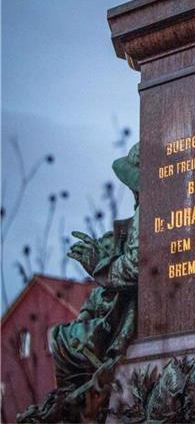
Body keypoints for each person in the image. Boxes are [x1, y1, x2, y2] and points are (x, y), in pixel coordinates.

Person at [18, 143, 140, 423]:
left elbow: (134, 268)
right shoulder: (142, 214)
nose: (131, 191)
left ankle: (84, 409)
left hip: (131, 309)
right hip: (118, 301)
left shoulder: (149, 213)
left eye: (133, 183)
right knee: (68, 333)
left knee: (63, 341)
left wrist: (98, 263)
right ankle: (78, 404)